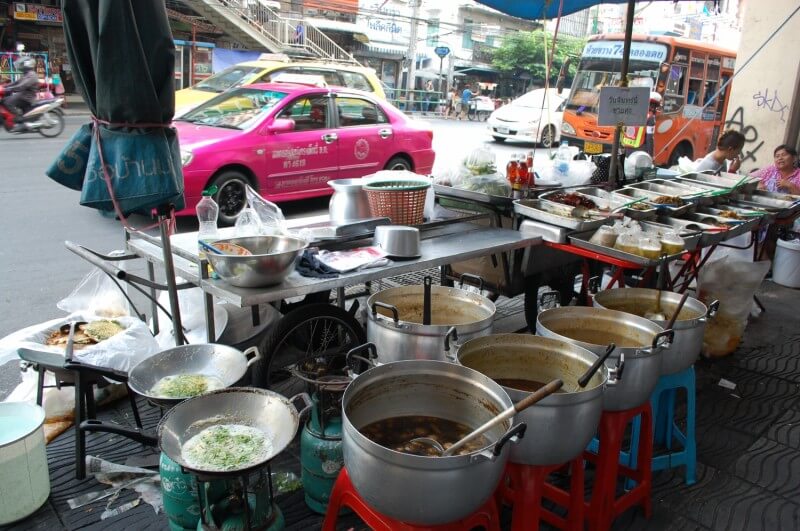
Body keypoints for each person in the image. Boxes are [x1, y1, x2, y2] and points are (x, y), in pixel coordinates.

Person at [2, 57, 39, 132]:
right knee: (4, 100)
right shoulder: (27, 74)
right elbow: (16, 82)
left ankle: (18, 118)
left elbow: (22, 86)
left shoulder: (32, 75)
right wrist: (4, 86)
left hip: (26, 97)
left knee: (7, 102)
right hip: (22, 95)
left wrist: (9, 89)